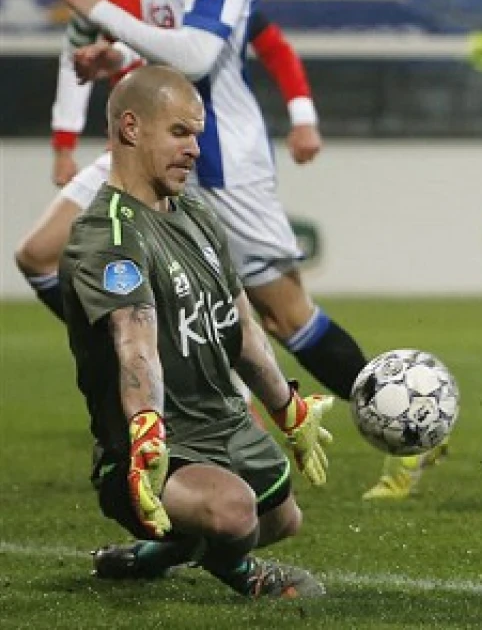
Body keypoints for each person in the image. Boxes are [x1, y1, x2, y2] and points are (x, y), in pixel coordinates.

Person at [53, 0, 441, 501]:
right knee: (42, 249)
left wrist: (102, 10)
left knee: (285, 315)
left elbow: (203, 52)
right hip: (160, 149)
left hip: (221, 160)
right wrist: (112, 51)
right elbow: (170, 36)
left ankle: (406, 424)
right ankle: (149, 422)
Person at [62, 65, 332, 598]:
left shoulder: (197, 213)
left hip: (224, 425)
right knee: (233, 515)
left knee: (281, 522)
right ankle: (246, 577)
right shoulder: (109, 233)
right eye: (180, 132)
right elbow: (134, 344)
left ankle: (147, 559)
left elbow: (243, 328)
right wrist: (145, 437)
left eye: (198, 136)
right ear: (131, 128)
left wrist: (287, 410)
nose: (194, 150)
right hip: (157, 445)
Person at [15, 0, 322, 330]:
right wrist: (63, 146)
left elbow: (271, 46)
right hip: (132, 153)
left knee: (255, 306)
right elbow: (73, 62)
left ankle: (228, 386)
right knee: (40, 255)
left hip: (203, 150)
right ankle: (124, 353)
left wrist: (302, 117)